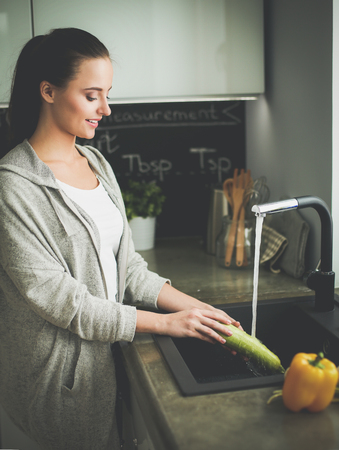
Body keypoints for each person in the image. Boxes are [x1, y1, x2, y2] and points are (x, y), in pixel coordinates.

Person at [0, 28, 241, 450]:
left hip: (111, 359)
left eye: (107, 94)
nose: (106, 109)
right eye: (92, 95)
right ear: (48, 91)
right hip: (61, 381)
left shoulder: (95, 161)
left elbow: (127, 268)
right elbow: (63, 301)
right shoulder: (13, 188)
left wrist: (199, 310)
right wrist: (166, 323)